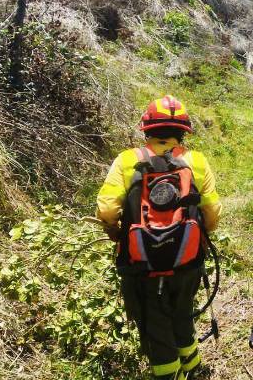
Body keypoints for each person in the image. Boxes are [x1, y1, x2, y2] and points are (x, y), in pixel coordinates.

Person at [95, 95, 222, 380]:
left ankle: (168, 374)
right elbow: (212, 213)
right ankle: (192, 368)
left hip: (142, 265)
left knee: (155, 328)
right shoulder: (196, 162)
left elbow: (106, 210)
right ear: (183, 132)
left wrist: (116, 232)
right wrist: (197, 236)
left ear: (147, 130)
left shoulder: (128, 160)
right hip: (187, 260)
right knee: (182, 314)